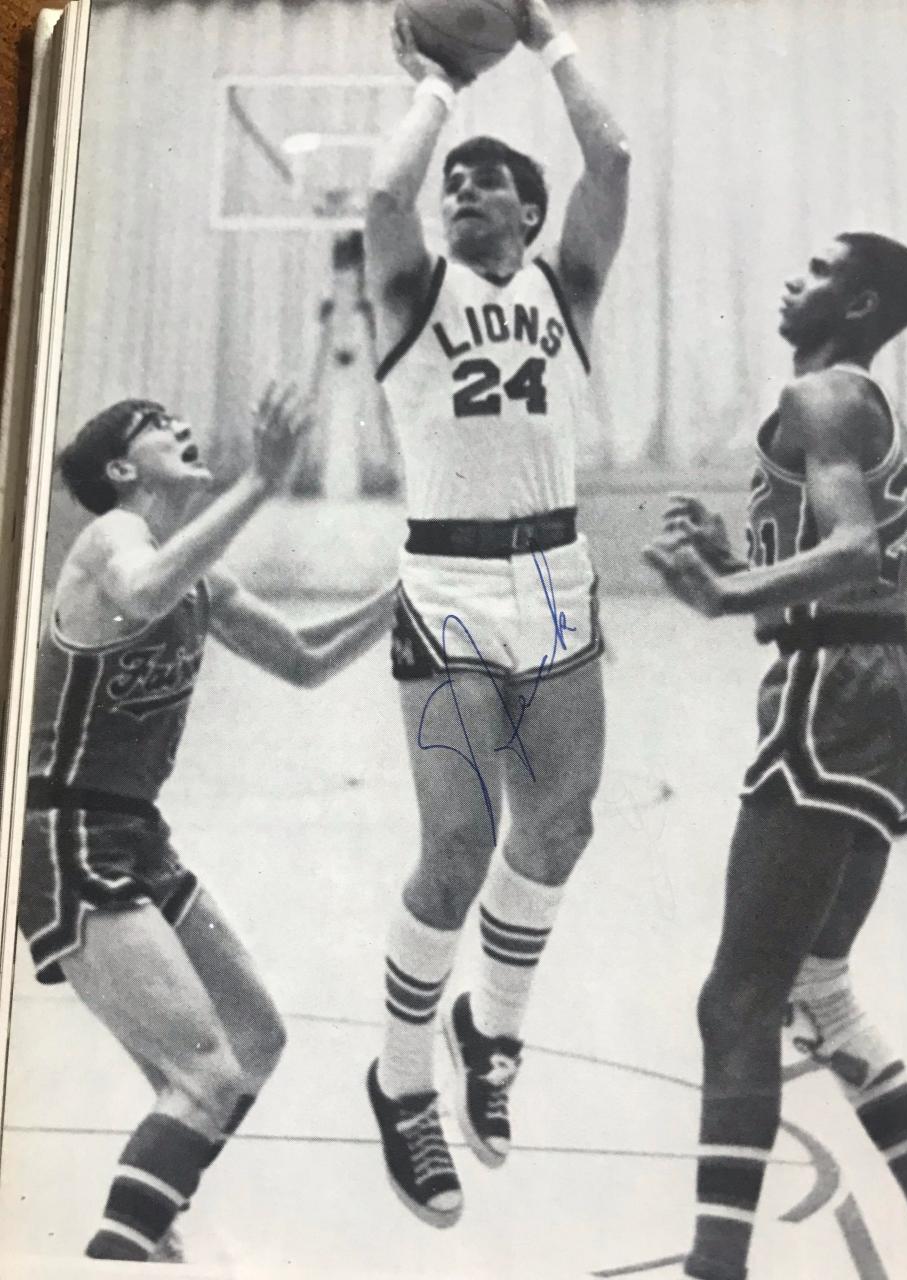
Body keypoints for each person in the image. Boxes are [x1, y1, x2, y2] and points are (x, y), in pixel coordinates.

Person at [644, 233, 907, 1280]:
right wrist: (737, 557)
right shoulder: (858, 400)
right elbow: (838, 559)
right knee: (817, 981)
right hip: (896, 688)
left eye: (817, 269)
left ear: (859, 302)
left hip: (840, 692)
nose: (789, 276)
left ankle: (715, 1263)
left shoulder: (824, 392)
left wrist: (726, 593)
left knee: (735, 996)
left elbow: (857, 546)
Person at [17, 386, 395, 1262]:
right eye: (159, 428)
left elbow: (303, 661)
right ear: (121, 470)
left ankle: (144, 1216)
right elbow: (146, 592)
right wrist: (263, 482)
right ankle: (126, 1246)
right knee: (207, 1074)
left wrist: (399, 596)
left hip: (135, 833)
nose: (184, 427)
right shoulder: (114, 538)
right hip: (64, 832)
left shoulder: (201, 579)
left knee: (254, 1037)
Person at [362, 0, 630, 1228]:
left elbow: (613, 159)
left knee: (560, 829)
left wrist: (542, 30)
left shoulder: (568, 288)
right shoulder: (414, 289)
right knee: (458, 851)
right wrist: (438, 87)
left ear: (527, 213)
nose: (462, 192)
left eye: (486, 184)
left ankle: (492, 1031)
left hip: (557, 581)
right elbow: (382, 202)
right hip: (451, 591)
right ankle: (403, 1081)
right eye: (453, 183)